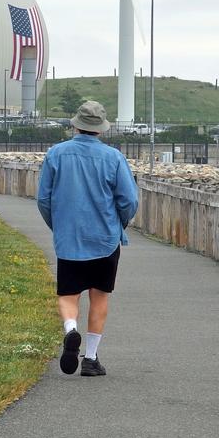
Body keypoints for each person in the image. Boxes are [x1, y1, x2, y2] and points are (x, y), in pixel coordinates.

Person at [36, 101, 139, 377]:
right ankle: (91, 358)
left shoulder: (55, 154)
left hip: (69, 238)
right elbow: (128, 199)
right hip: (104, 238)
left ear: (75, 124)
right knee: (100, 296)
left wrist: (57, 225)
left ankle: (71, 329)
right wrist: (120, 222)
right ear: (101, 129)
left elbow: (43, 199)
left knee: (68, 294)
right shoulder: (114, 158)